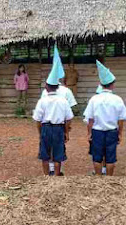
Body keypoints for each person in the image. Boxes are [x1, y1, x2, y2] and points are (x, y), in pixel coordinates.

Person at [33, 45, 74, 176]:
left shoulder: (42, 100)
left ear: (46, 87)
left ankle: (46, 177)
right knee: (58, 154)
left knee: (45, 154)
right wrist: (66, 131)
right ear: (57, 87)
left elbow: (38, 120)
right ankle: (56, 175)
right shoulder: (63, 100)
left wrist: (41, 132)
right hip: (58, 128)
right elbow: (69, 118)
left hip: (46, 127)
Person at [83, 60, 126, 176]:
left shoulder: (94, 99)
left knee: (97, 157)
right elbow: (121, 119)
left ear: (101, 85)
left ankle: (98, 179)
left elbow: (90, 119)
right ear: (112, 85)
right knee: (110, 157)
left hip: (97, 131)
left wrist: (89, 133)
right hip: (112, 131)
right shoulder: (117, 99)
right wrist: (120, 133)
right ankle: (109, 179)